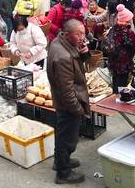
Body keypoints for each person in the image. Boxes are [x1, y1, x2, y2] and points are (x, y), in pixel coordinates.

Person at [47, 19, 90, 184]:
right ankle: (63, 173)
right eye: (78, 34)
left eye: (83, 33)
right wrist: (78, 110)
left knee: (63, 134)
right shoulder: (63, 56)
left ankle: (60, 162)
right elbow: (67, 91)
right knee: (67, 138)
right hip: (68, 103)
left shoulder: (61, 41)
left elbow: (78, 62)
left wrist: (83, 53)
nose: (82, 37)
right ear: (67, 34)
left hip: (63, 100)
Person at [103, 5, 135, 93]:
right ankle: (121, 96)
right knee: (122, 81)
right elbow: (133, 46)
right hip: (124, 61)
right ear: (127, 19)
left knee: (115, 78)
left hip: (113, 60)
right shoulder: (128, 32)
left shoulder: (113, 29)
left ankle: (114, 94)